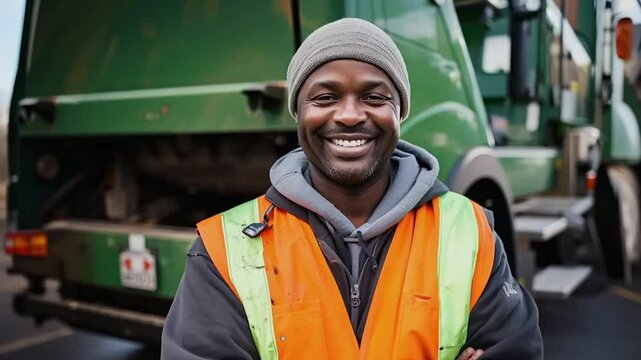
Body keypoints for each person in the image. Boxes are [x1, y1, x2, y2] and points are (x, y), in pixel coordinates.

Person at [161, 18, 543, 360]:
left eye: (374, 97)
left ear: (399, 113)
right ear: (299, 113)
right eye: (325, 97)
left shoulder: (469, 233)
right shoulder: (225, 248)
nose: (349, 115)